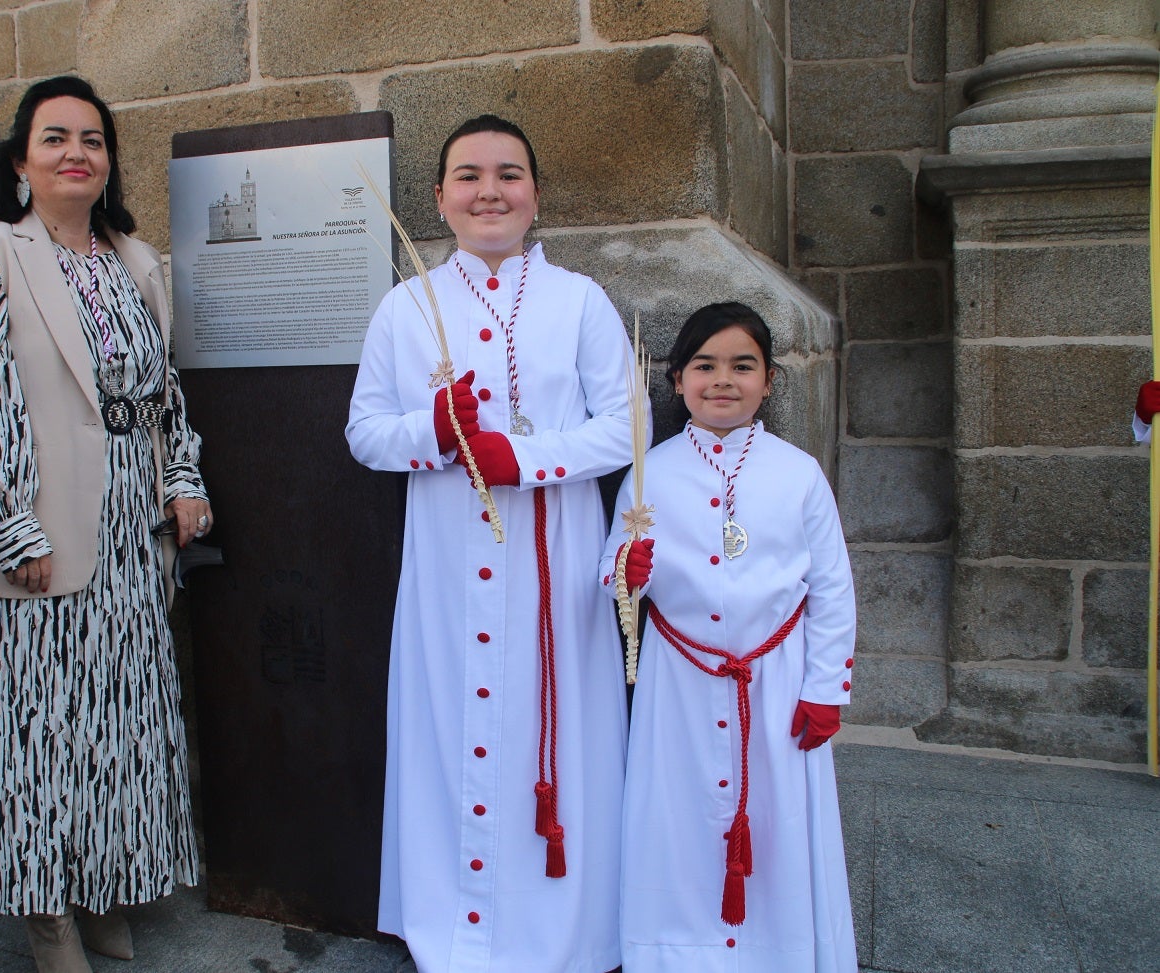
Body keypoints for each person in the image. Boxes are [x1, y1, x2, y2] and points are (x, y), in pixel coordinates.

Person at [346, 114, 632, 973]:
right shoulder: (405, 308)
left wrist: (526, 458)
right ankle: (454, 928)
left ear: (535, 194)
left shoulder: (580, 300)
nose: (489, 191)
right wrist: (434, 430)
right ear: (439, 198)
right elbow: (364, 432)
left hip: (555, 570)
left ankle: (561, 932)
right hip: (444, 570)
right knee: (450, 728)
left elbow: (625, 427)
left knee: (554, 732)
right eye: (468, 176)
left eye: (509, 173)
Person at [0, 75, 211, 973]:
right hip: (39, 532)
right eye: (54, 138)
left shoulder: (133, 259)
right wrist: (15, 525)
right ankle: (44, 910)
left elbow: (163, 391)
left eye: (92, 140)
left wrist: (183, 477)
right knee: (34, 731)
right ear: (21, 160)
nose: (76, 154)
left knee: (117, 727)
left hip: (133, 534)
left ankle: (102, 886)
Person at [602, 302, 858, 972]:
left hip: (776, 689)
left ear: (768, 380)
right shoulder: (648, 469)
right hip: (678, 688)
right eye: (705, 365)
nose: (724, 380)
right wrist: (624, 573)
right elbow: (611, 571)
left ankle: (780, 952)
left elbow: (831, 587)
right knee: (679, 827)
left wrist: (826, 686)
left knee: (779, 825)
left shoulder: (799, 473)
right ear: (678, 378)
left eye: (742, 365)